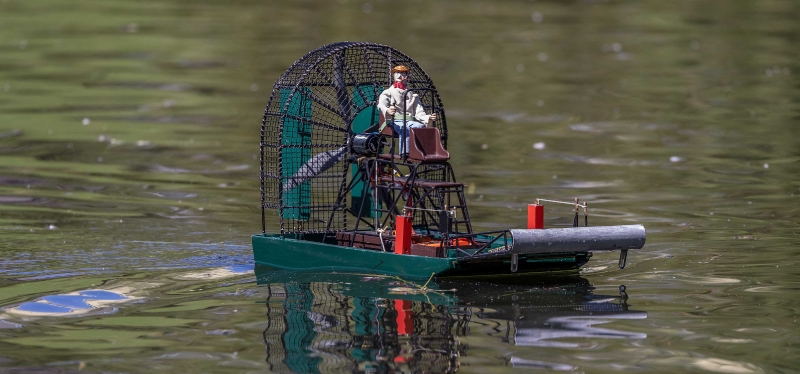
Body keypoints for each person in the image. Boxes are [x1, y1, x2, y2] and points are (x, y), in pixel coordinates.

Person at [377, 65, 437, 155]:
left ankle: (422, 152)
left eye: (403, 73)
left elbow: (419, 113)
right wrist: (388, 110)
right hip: (393, 121)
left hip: (410, 121)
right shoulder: (388, 93)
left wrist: (428, 118)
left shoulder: (413, 95)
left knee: (420, 127)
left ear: (406, 77)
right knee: (404, 128)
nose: (400, 76)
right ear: (393, 76)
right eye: (397, 73)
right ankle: (405, 153)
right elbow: (381, 105)